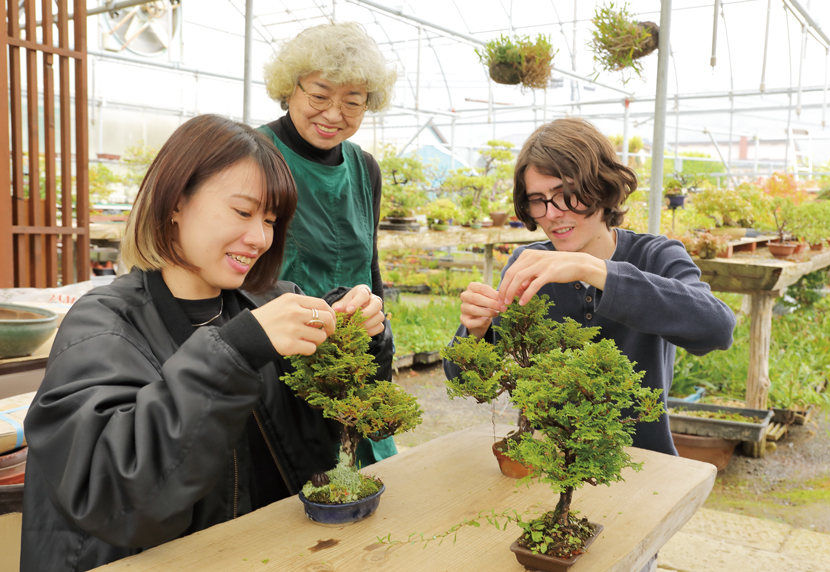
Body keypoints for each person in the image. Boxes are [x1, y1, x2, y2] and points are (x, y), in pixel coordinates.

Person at [19, 115, 386, 572]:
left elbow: (337, 426)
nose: (259, 238)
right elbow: (112, 493)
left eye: (270, 219)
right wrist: (237, 350)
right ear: (176, 201)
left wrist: (361, 335)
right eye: (242, 212)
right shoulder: (103, 325)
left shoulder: (273, 303)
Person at [443, 117, 736, 457]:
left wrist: (594, 269)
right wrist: (475, 333)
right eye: (538, 199)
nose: (552, 214)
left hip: (643, 462)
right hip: (547, 464)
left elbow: (717, 328)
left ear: (602, 187)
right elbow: (463, 381)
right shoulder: (528, 264)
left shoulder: (656, 255)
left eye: (566, 194)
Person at [260, 21, 399, 467]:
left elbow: (369, 268)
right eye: (319, 96)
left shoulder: (365, 169)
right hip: (282, 355)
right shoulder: (257, 154)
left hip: (354, 353)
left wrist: (379, 338)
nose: (334, 114)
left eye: (352, 102)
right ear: (290, 89)